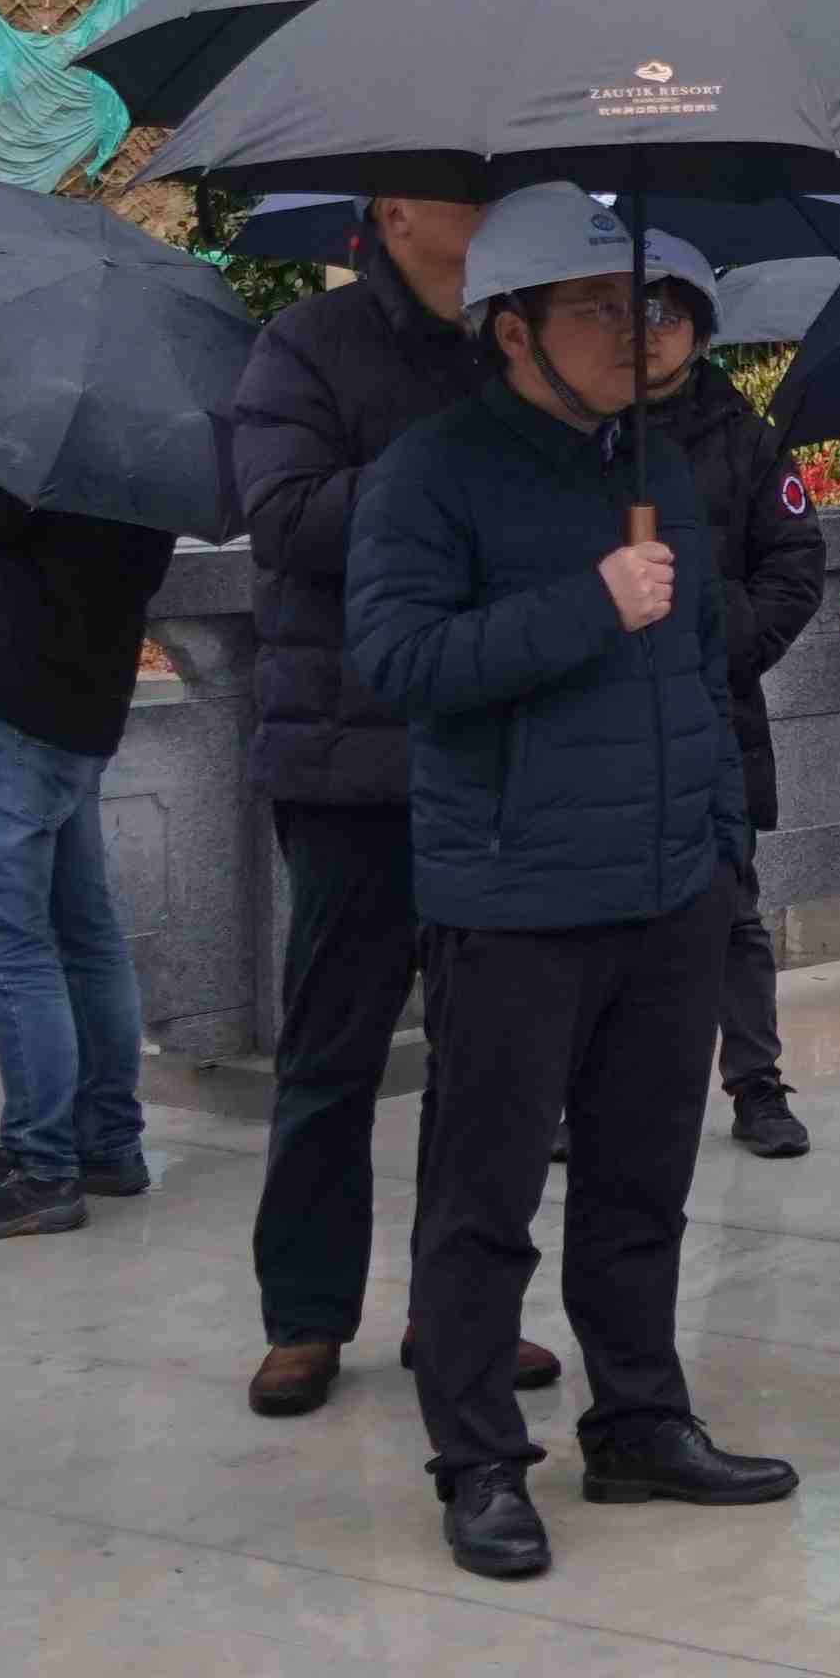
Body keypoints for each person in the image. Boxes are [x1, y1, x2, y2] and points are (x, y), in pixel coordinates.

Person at [344, 188, 804, 1579]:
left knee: (641, 1185)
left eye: (648, 304)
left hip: (670, 890)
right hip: (515, 896)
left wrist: (715, 848)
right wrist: (588, 603)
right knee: (484, 1200)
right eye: (598, 307)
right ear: (511, 328)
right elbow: (400, 663)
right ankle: (479, 1458)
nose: (636, 331)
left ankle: (641, 1421)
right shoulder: (430, 472)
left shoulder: (660, 460)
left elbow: (703, 664)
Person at [212, 186, 526, 1417]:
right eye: (463, 185)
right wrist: (451, 476)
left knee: (486, 1057)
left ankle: (458, 1308)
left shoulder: (521, 334)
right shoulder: (306, 345)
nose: (489, 204)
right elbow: (283, 516)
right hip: (349, 758)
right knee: (333, 1053)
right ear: (395, 210)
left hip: (493, 747)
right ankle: (305, 1314)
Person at [0, 458, 184, 1242]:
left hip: (12, 691)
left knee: (6, 945)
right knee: (86, 934)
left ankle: (38, 1166)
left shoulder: (39, 427)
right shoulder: (152, 436)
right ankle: (106, 1142)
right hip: (84, 695)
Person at [641, 244, 839, 1161]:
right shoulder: (580, 430)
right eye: (631, 314)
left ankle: (757, 1084)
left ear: (700, 331)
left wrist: (727, 639)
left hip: (715, 711)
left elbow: (797, 564)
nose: (648, 335)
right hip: (598, 715)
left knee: (730, 905)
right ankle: (591, 1088)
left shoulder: (746, 439)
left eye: (668, 316)